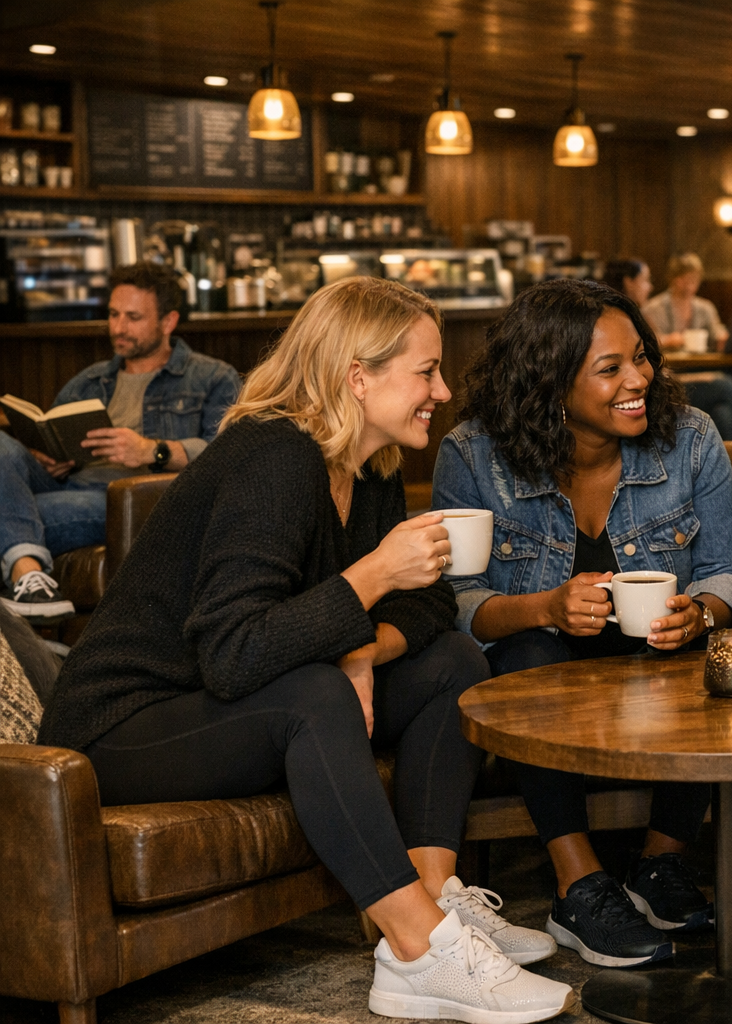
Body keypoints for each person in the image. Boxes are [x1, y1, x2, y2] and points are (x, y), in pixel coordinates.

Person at [35, 277, 575, 1024]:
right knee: (312, 695)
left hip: (229, 697)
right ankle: (422, 950)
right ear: (358, 376)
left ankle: (435, 900)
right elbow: (233, 653)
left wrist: (360, 649)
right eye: (426, 371)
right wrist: (368, 579)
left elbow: (428, 604)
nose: (443, 391)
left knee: (453, 660)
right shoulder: (273, 458)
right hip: (124, 726)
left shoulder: (371, 462)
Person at [433, 278, 732, 969]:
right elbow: (454, 599)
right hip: (544, 666)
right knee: (526, 658)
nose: (639, 379)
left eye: (641, 357)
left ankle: (660, 865)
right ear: (549, 383)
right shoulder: (473, 454)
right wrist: (543, 608)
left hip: (659, 658)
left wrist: (698, 613)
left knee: (717, 654)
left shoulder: (690, 436)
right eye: (611, 369)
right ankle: (578, 884)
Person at [0, 263, 241, 623]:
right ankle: (29, 581)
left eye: (133, 317)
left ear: (168, 321)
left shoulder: (211, 377)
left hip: (130, 497)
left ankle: (26, 573)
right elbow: (50, 433)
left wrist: (151, 450)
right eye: (113, 315)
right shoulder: (91, 380)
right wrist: (51, 456)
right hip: (67, 485)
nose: (118, 328)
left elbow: (230, 457)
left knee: (14, 513)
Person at [608, 257, 732, 441]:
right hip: (673, 374)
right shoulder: (649, 310)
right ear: (675, 279)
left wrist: (724, 338)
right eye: (646, 281)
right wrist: (668, 341)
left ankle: (730, 464)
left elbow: (718, 333)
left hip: (702, 368)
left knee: (724, 412)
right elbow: (649, 348)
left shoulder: (704, 307)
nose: (649, 287)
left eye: (695, 279)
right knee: (724, 384)